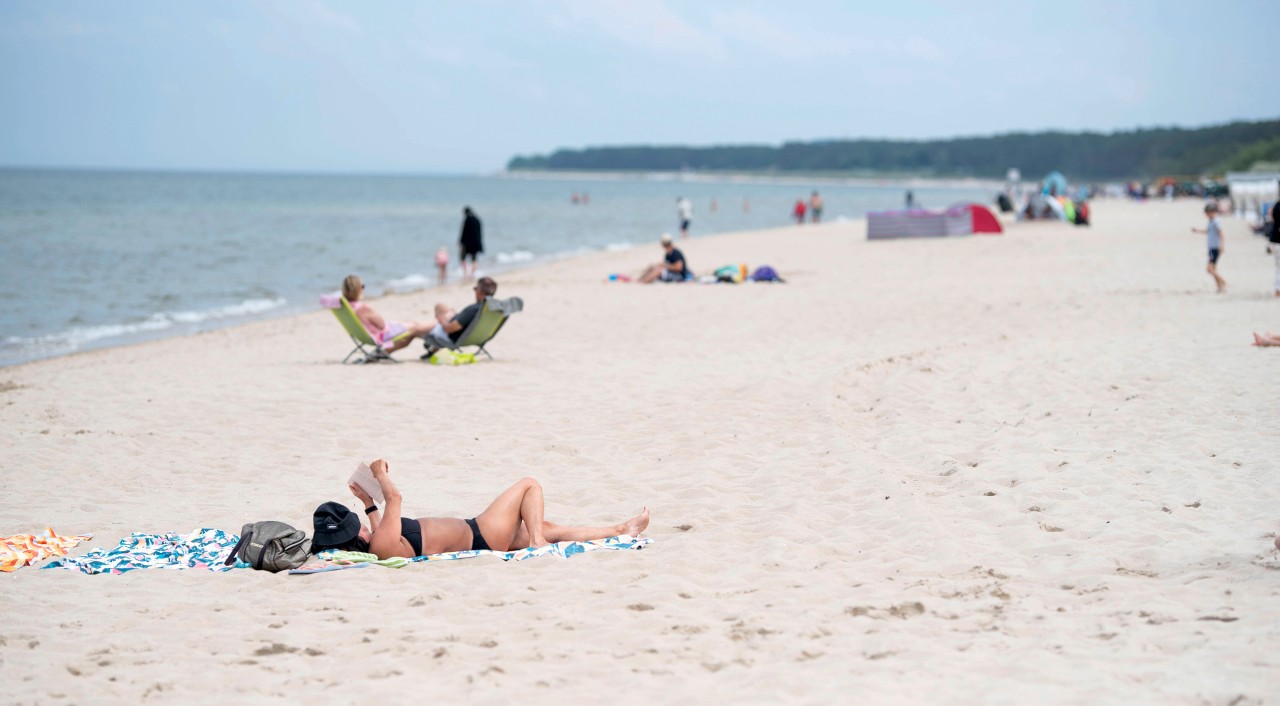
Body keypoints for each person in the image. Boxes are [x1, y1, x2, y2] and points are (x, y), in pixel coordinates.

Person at [312, 459, 650, 559]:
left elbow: (383, 519)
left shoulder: (380, 543)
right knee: (529, 484)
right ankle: (536, 543)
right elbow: (396, 501)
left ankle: (621, 529)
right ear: (354, 535)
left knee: (550, 526)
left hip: (480, 533)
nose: (364, 524)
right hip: (481, 533)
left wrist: (369, 502)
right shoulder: (382, 545)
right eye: (357, 523)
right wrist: (380, 474)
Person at [341, 275, 435, 354]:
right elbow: (381, 325)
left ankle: (436, 333)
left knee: (415, 324)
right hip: (380, 335)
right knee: (416, 328)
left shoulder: (348, 306)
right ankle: (438, 323)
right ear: (357, 289)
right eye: (362, 286)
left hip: (366, 336)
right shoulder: (363, 308)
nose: (363, 289)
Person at [421, 276, 498, 358]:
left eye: (476, 288)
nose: (474, 291)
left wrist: (441, 318)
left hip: (449, 336)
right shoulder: (490, 309)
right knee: (440, 306)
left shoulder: (473, 309)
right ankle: (433, 350)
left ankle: (432, 347)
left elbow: (449, 329)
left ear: (480, 292)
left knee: (414, 329)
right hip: (474, 337)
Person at [1191, 203, 1227, 293]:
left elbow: (1221, 233)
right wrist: (1197, 231)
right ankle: (1220, 287)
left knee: (1209, 269)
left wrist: (1222, 246)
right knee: (1213, 268)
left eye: (1208, 212)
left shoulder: (1216, 221)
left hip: (1215, 247)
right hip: (1211, 247)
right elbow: (1208, 231)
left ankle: (1223, 281)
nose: (1207, 215)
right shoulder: (1211, 221)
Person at [459, 207, 484, 280]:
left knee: (463, 258)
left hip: (467, 244)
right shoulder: (477, 220)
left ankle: (466, 274)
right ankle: (472, 274)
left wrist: (461, 242)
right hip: (476, 244)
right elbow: (480, 234)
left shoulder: (467, 220)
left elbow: (463, 232)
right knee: (474, 259)